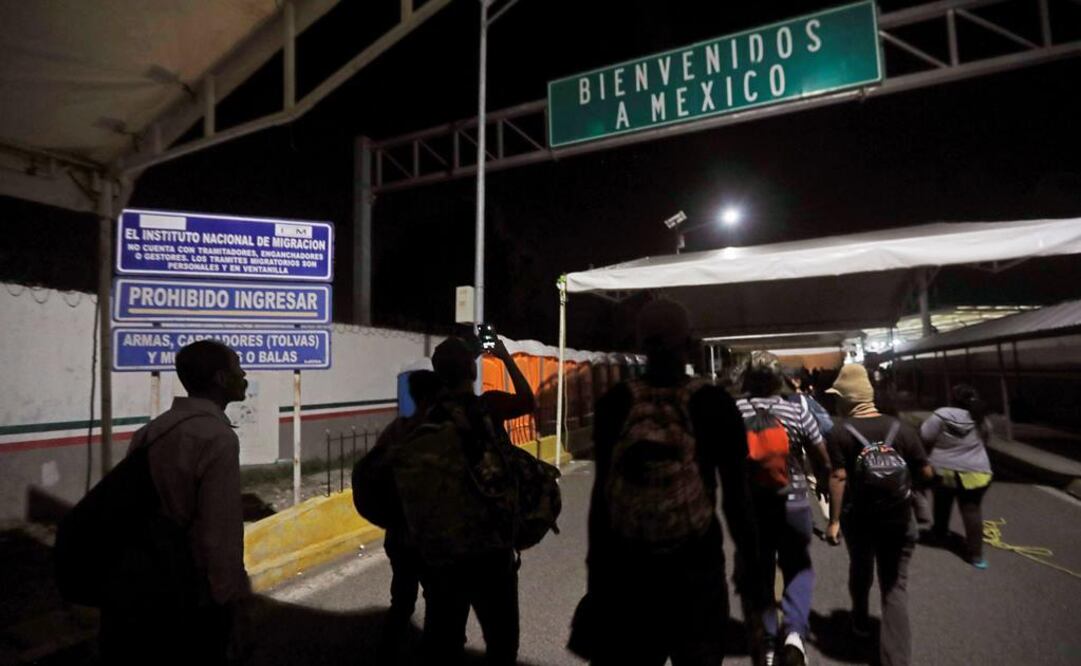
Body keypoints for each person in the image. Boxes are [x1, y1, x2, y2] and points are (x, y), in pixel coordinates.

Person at [585, 299, 763, 665]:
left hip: (629, 573)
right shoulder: (714, 402)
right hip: (696, 571)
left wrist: (597, 575)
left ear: (640, 345)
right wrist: (751, 564)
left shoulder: (614, 403)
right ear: (690, 343)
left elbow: (601, 496)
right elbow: (736, 498)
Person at [100, 340, 252, 665]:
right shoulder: (217, 438)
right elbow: (219, 532)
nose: (244, 376)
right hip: (193, 592)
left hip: (145, 584)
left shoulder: (150, 431)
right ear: (220, 379)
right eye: (238, 368)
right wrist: (229, 600)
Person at [414, 335, 534, 665]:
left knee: (444, 644)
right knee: (502, 645)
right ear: (472, 369)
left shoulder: (429, 417)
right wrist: (504, 357)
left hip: (444, 554)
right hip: (492, 551)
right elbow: (528, 401)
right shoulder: (489, 407)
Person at [824, 363, 933, 666]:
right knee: (894, 587)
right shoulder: (902, 429)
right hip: (899, 519)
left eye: (837, 397)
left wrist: (834, 522)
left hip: (859, 520)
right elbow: (926, 471)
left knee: (861, 569)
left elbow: (839, 477)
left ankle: (860, 621)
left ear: (847, 399)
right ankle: (897, 660)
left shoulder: (839, 432)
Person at [737, 351, 831, 666]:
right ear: (778, 379)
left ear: (746, 378)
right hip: (794, 503)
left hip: (754, 507)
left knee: (760, 572)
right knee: (798, 568)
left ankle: (766, 642)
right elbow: (821, 455)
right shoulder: (796, 410)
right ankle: (793, 635)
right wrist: (824, 482)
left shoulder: (735, 411)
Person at [373, 370, 443, 658]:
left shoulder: (397, 429)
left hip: (399, 534)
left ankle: (387, 652)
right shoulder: (440, 432)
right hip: (432, 536)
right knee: (438, 602)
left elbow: (374, 472)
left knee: (402, 600)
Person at [919, 384, 994, 568]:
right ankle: (976, 556)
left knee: (942, 501)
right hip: (976, 473)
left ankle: (939, 533)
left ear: (953, 398)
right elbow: (987, 439)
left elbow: (925, 436)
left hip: (943, 470)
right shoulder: (980, 417)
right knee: (972, 511)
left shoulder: (942, 414)